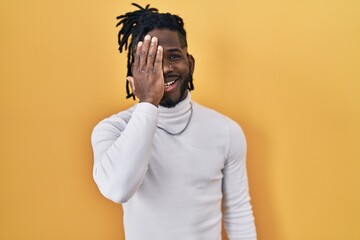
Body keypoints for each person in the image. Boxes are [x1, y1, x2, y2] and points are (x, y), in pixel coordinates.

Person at [91, 3, 257, 240]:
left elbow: (237, 211)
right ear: (133, 80)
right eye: (150, 62)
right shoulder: (112, 129)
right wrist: (149, 100)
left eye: (174, 56)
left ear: (190, 63)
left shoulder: (226, 131)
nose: (166, 68)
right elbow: (118, 189)